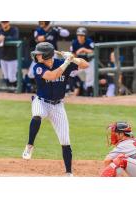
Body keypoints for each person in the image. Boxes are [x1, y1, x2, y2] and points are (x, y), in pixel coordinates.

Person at [22, 42, 89, 176]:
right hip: (41, 101)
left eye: (39, 54)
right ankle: (29, 146)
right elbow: (53, 76)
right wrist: (67, 62)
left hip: (58, 105)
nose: (36, 56)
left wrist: (72, 58)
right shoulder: (38, 67)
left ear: (47, 55)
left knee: (65, 140)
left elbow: (85, 65)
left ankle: (69, 173)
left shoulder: (61, 61)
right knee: (38, 114)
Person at [0, 21, 19, 88]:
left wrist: (4, 38)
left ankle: (17, 91)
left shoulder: (14, 29)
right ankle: (9, 92)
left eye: (5, 22)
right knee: (6, 77)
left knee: (12, 78)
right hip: (3, 57)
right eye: (3, 22)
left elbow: (15, 38)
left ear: (8, 22)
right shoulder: (0, 30)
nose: (4, 24)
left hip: (12, 58)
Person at [70, 27, 94, 96]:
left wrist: (83, 49)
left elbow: (93, 50)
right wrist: (73, 55)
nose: (80, 37)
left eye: (82, 35)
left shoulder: (89, 41)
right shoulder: (74, 43)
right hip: (79, 63)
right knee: (71, 73)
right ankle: (77, 86)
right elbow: (73, 54)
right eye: (78, 35)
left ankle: (89, 94)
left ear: (85, 36)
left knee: (90, 79)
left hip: (89, 62)